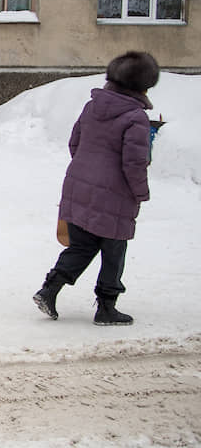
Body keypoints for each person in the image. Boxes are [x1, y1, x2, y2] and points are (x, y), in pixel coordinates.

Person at [33, 51, 159, 326]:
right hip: (115, 195)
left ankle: (49, 290)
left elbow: (74, 143)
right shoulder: (135, 117)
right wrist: (141, 192)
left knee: (82, 246)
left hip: (78, 186)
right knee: (114, 252)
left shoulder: (92, 107)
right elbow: (134, 163)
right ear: (141, 85)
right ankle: (106, 307)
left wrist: (88, 171)